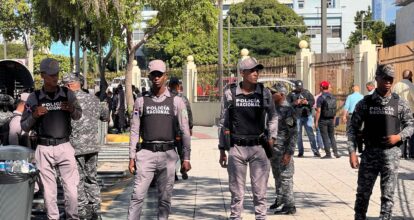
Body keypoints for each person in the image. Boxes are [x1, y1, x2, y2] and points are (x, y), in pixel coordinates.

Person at [348, 64, 414, 220]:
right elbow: (352, 128)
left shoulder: (400, 103)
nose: (388, 82)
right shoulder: (365, 103)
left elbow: (411, 124)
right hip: (370, 154)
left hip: (391, 156)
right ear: (377, 78)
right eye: (385, 78)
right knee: (363, 194)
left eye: (391, 79)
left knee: (388, 196)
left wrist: (399, 137)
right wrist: (352, 152)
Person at [128, 59, 191, 219]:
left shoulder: (177, 102)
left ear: (165, 76)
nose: (156, 78)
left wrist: (186, 157)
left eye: (159, 74)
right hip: (146, 155)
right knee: (137, 196)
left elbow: (185, 131)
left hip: (168, 155)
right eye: (153, 74)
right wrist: (131, 156)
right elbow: (135, 130)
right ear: (149, 77)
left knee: (164, 199)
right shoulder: (141, 101)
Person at [21, 58, 82, 220]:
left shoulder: (67, 94)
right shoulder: (34, 98)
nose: (55, 78)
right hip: (44, 148)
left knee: (72, 190)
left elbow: (78, 115)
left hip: (64, 145)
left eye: (56, 74)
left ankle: (72, 217)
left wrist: (71, 109)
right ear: (42, 76)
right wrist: (34, 115)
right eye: (51, 75)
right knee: (49, 192)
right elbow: (24, 126)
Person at [218, 57, 278, 219]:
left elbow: (273, 116)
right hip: (237, 148)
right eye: (251, 70)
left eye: (257, 70)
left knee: (260, 193)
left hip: (259, 148)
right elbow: (223, 122)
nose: (255, 73)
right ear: (242, 73)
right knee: (237, 193)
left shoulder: (264, 93)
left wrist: (272, 137)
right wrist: (222, 150)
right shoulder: (230, 94)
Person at [63, 72, 109, 220]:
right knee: (92, 178)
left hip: (75, 147)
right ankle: (96, 210)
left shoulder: (67, 101)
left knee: (77, 180)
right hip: (92, 146)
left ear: (69, 85)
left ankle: (82, 211)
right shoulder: (94, 99)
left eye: (64, 85)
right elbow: (105, 116)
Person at [268, 83, 297, 215]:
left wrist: (289, 153)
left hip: (284, 150)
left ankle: (290, 205)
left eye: (274, 92)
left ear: (282, 94)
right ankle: (280, 199)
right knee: (277, 175)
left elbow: (293, 133)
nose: (271, 94)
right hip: (274, 149)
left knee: (286, 177)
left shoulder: (288, 110)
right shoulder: (273, 108)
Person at [168, 76, 193, 180]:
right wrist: (190, 126)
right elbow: (189, 113)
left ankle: (173, 173)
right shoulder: (183, 99)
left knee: (171, 152)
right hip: (181, 130)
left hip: (170, 130)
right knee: (182, 150)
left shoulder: (166, 98)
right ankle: (183, 168)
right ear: (178, 86)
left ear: (169, 86)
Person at [287, 80, 319, 157]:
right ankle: (300, 152)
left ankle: (315, 151)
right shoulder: (291, 94)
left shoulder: (307, 92)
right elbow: (287, 104)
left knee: (311, 134)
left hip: (307, 116)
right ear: (295, 87)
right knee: (298, 135)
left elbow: (313, 101)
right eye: (298, 87)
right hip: (297, 117)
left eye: (301, 87)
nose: (300, 89)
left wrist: (307, 102)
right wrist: (295, 103)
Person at [392, 69, 414, 159]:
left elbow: (392, 98)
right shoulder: (411, 86)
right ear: (411, 76)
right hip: (410, 112)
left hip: (398, 112)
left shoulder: (396, 85)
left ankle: (401, 153)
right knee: (411, 132)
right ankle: (412, 153)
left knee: (400, 132)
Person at [315, 81, 340, 159]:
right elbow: (335, 110)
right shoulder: (333, 97)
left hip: (323, 120)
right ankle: (336, 153)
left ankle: (328, 154)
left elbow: (318, 111)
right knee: (332, 136)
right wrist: (334, 119)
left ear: (321, 88)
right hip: (331, 119)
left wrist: (316, 121)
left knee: (325, 137)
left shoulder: (320, 98)